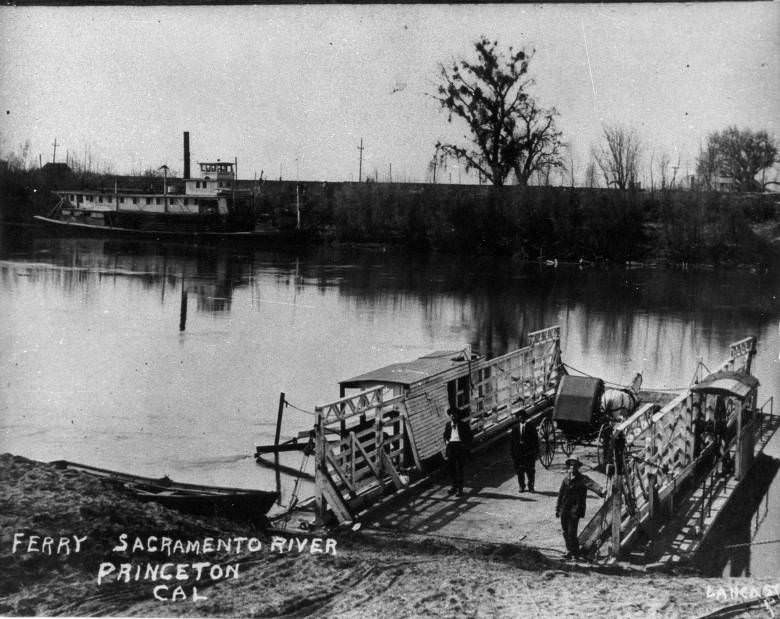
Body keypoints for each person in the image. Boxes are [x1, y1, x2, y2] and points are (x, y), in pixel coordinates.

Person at [555, 457, 588, 559]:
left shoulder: (582, 479)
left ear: (578, 467)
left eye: (574, 465)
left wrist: (602, 491)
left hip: (575, 509)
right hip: (564, 509)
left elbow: (592, 485)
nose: (572, 467)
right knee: (565, 531)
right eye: (571, 465)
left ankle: (576, 552)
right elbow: (560, 494)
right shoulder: (566, 479)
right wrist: (557, 508)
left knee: (572, 532)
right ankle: (569, 551)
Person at [443, 408, 473, 497]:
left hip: (460, 447)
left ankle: (460, 489)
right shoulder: (448, 425)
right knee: (451, 468)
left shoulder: (463, 425)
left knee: (460, 468)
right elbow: (445, 435)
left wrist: (464, 445)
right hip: (451, 447)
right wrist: (447, 442)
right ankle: (454, 486)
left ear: (458, 415)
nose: (453, 416)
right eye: (451, 415)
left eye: (454, 414)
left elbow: (470, 436)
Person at [510, 411, 539, 493]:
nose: (521, 418)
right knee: (519, 471)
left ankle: (531, 487)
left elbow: (535, 441)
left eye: (523, 417)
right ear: (518, 418)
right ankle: (521, 486)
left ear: (526, 418)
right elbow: (512, 442)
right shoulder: (515, 428)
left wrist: (535, 452)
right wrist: (513, 454)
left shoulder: (531, 427)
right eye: (520, 417)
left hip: (528, 453)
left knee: (530, 471)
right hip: (518, 454)